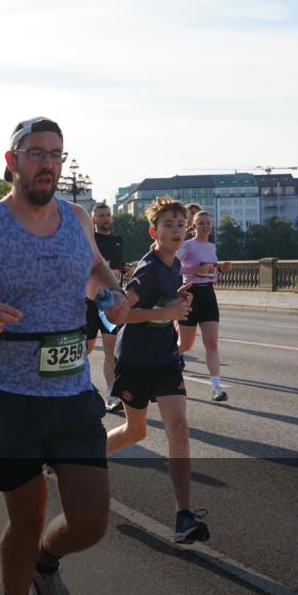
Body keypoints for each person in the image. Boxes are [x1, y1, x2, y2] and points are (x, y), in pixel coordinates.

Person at [0, 116, 128, 595]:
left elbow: (94, 268)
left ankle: (45, 562)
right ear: (12, 161)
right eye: (36, 153)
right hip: (9, 396)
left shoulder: (77, 218)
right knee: (27, 517)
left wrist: (111, 293)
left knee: (91, 521)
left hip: (71, 392)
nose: (48, 164)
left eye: (56, 155)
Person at [106, 196, 210, 545]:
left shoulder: (174, 264)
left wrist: (175, 299)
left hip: (165, 358)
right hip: (135, 359)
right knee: (135, 431)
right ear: (154, 231)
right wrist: (166, 313)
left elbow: (163, 302)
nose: (177, 230)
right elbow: (119, 314)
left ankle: (184, 516)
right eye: (168, 225)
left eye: (181, 225)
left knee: (178, 429)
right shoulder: (148, 268)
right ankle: (80, 461)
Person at [177, 210, 232, 402]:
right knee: (185, 344)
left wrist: (221, 269)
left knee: (212, 343)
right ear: (194, 225)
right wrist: (194, 269)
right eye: (201, 223)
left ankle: (216, 388)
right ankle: (163, 363)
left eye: (208, 223)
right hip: (190, 294)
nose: (205, 226)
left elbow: (210, 272)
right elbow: (172, 266)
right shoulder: (187, 245)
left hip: (208, 294)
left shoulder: (212, 246)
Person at [87, 203, 130, 413]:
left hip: (111, 304)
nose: (105, 218)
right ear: (93, 220)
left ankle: (112, 395)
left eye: (108, 215)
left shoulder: (118, 240)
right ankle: (80, 387)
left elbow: (118, 268)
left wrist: (126, 269)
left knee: (110, 350)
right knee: (84, 350)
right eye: (101, 216)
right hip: (89, 302)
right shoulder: (89, 239)